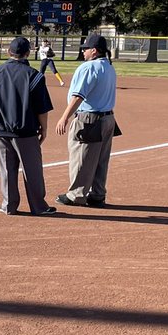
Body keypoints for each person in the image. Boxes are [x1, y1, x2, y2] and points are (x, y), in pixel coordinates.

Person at [0, 37, 57, 215]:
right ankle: (38, 207)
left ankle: (9, 205)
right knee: (32, 171)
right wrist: (44, 129)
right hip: (26, 131)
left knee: (7, 170)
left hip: (1, 130)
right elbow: (41, 108)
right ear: (28, 53)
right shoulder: (35, 76)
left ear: (8, 52)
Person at [55, 33, 118, 207]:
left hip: (89, 119)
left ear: (94, 51)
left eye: (86, 49)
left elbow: (78, 96)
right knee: (100, 160)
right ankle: (97, 194)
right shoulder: (109, 67)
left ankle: (76, 195)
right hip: (108, 118)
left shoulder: (89, 67)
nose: (83, 52)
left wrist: (64, 117)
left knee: (81, 157)